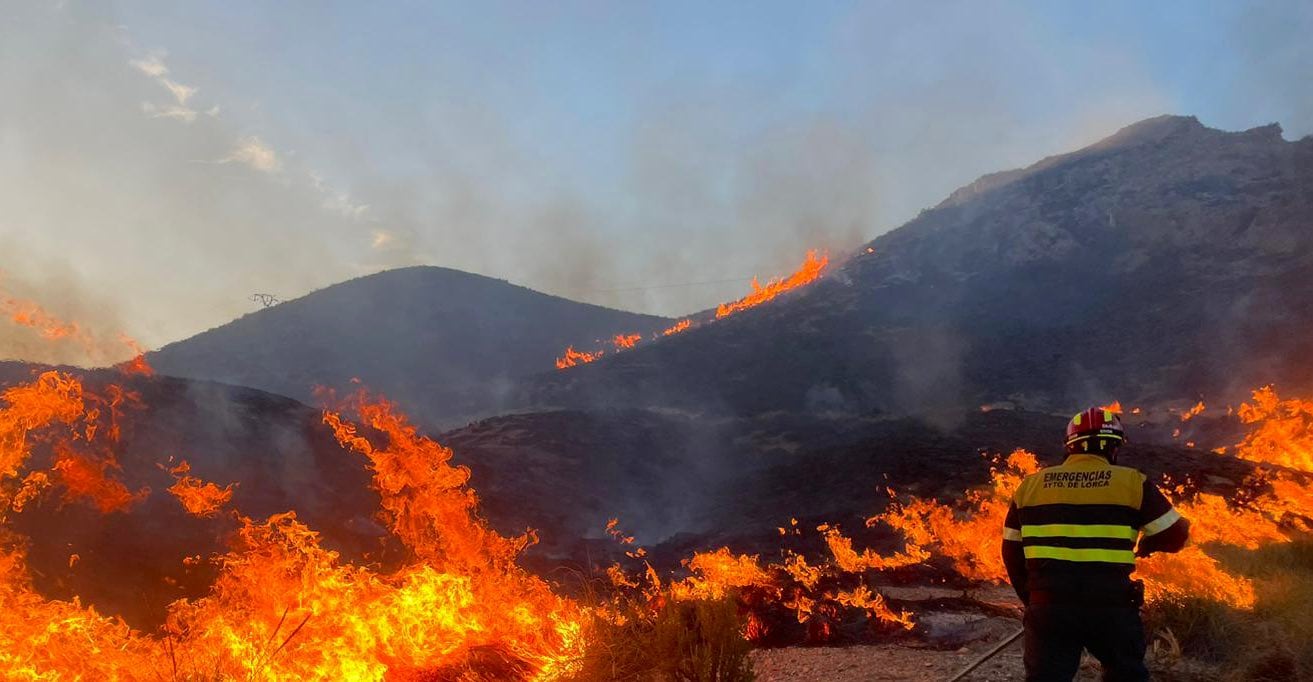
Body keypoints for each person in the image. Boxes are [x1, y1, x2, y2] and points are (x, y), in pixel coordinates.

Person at [1002, 407, 1190, 681]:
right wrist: (1148, 545)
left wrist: (1033, 600)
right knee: (1125, 675)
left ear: (1069, 447)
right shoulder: (1132, 482)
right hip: (1111, 608)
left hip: (1050, 608)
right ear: (1114, 447)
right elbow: (1176, 534)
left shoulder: (1030, 486)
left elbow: (1011, 552)